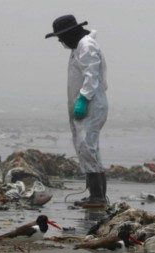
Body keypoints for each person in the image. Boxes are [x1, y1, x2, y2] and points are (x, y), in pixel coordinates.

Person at [45, 15, 108, 208]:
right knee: (85, 147)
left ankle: (98, 196)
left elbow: (91, 76)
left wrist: (83, 99)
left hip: (90, 104)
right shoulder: (78, 47)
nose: (61, 41)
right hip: (83, 105)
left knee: (87, 146)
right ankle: (94, 194)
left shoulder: (87, 46)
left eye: (61, 37)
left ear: (71, 32)